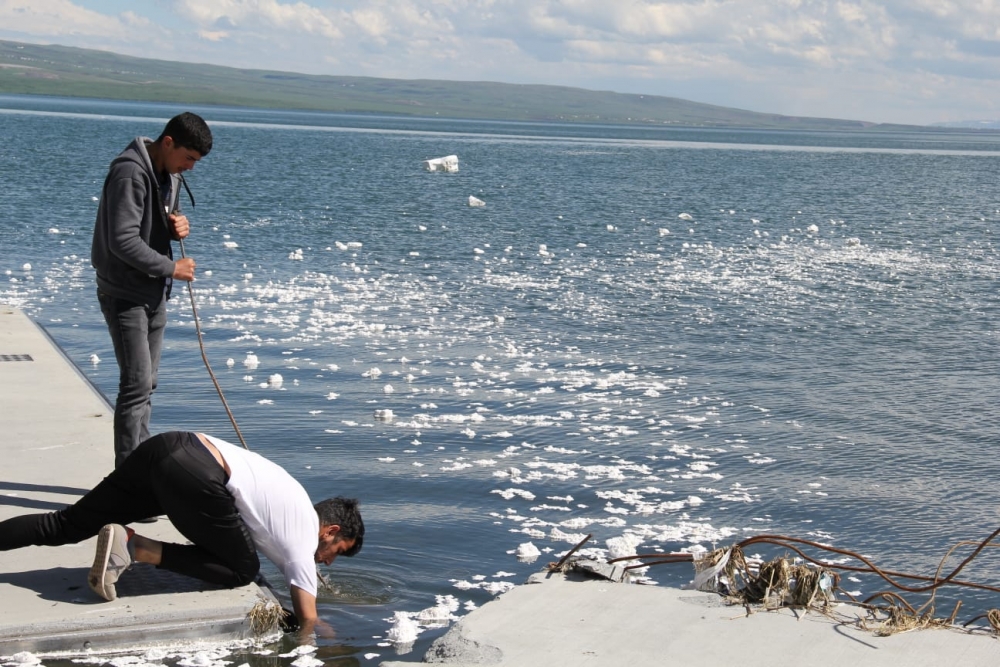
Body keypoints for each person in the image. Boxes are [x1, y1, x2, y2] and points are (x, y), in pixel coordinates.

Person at [0, 431, 364, 633]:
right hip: (196, 473)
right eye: (337, 550)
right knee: (243, 570)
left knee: (66, 524)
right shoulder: (303, 535)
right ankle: (135, 545)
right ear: (329, 530)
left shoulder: (295, 500)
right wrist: (329, 638)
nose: (329, 561)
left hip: (168, 446)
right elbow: (308, 616)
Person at [91, 112, 213, 468]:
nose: (190, 168)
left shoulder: (169, 174)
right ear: (169, 142)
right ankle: (128, 483)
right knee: (136, 386)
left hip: (154, 291)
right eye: (188, 158)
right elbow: (122, 241)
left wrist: (177, 227)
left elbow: (152, 224)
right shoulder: (129, 172)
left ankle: (139, 472)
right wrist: (172, 267)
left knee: (148, 385)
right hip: (124, 292)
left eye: (196, 162)